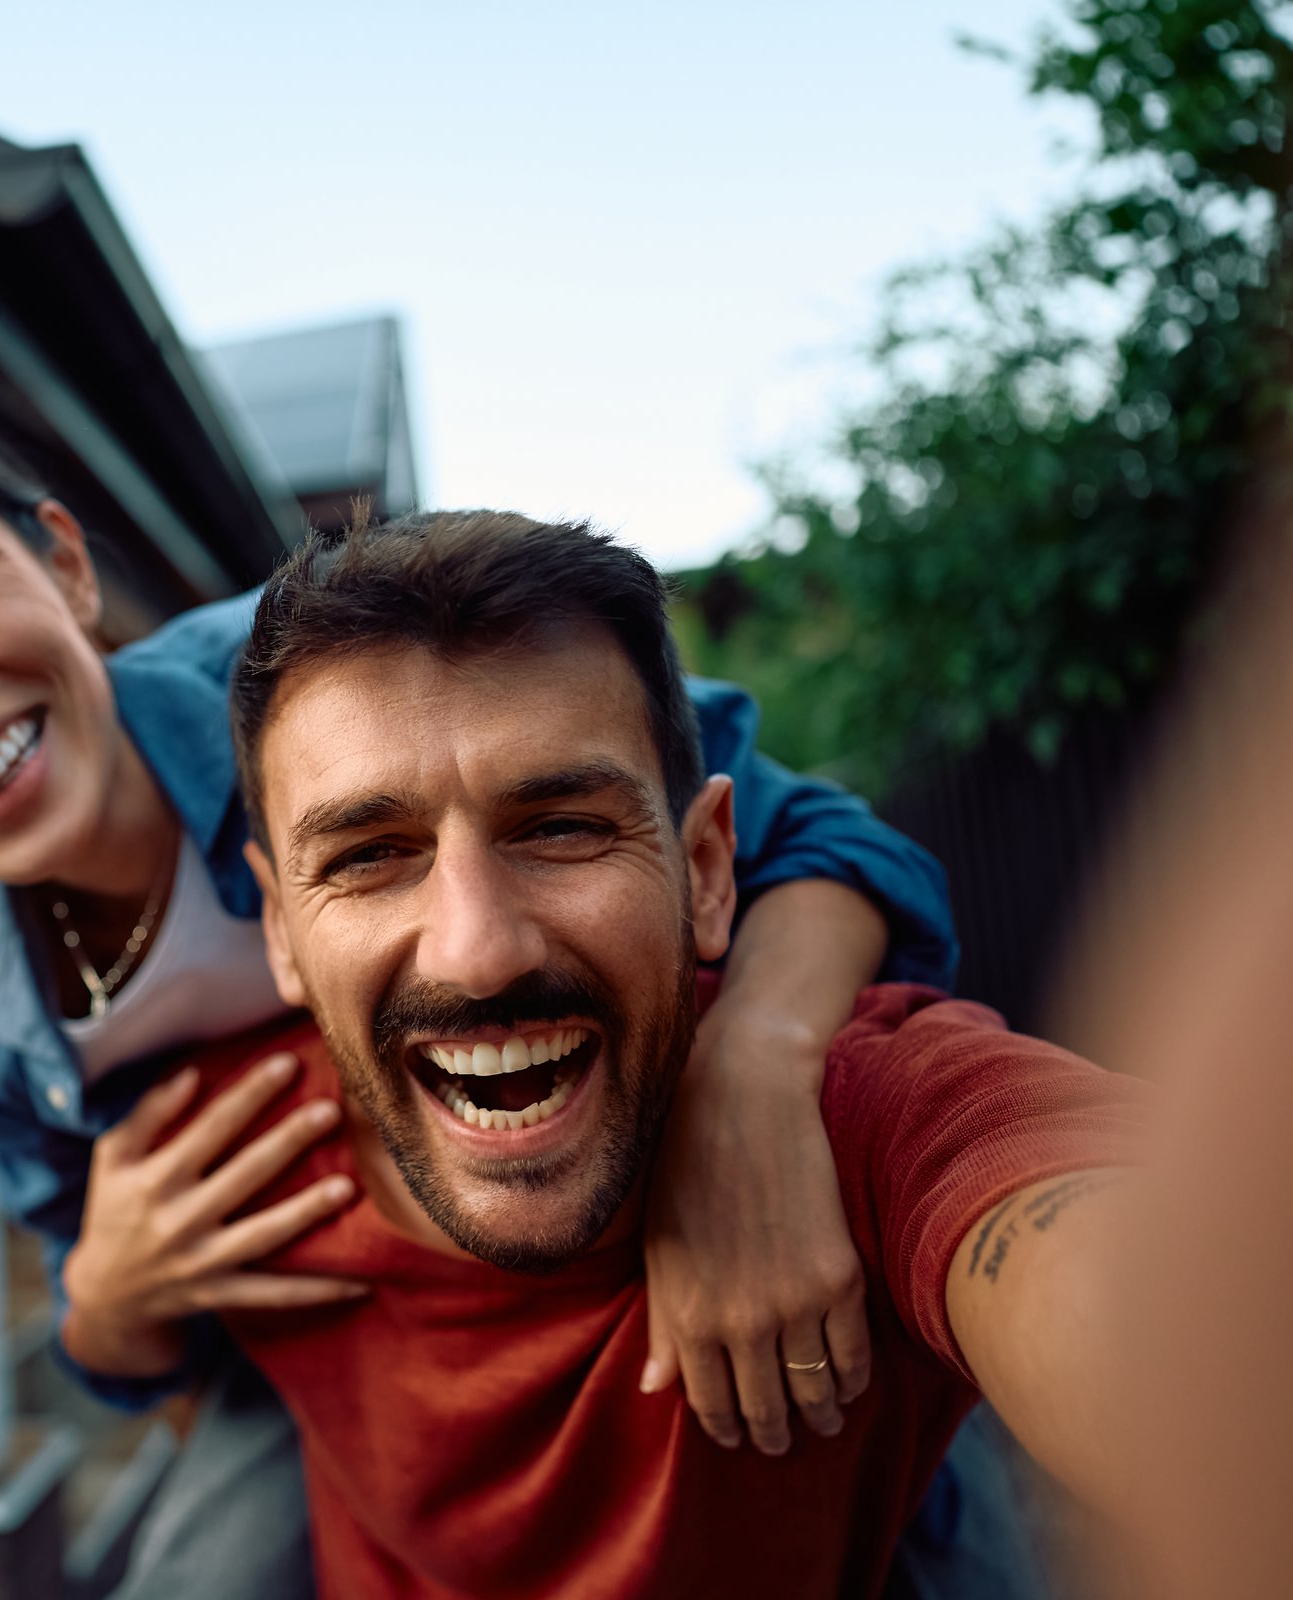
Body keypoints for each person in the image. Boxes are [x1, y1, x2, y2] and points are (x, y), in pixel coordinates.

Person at [0, 369, 959, 1592]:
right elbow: (117, 1354)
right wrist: (108, 1303)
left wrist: (754, 1071)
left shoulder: (313, 685)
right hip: (327, 1370)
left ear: (60, 559)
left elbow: (825, 841)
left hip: (619, 1241)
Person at [173, 507, 1145, 1597]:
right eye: (368, 854)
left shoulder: (855, 1119)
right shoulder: (219, 1168)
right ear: (276, 931)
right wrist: (104, 1308)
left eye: (561, 826)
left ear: (711, 871)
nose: (479, 951)